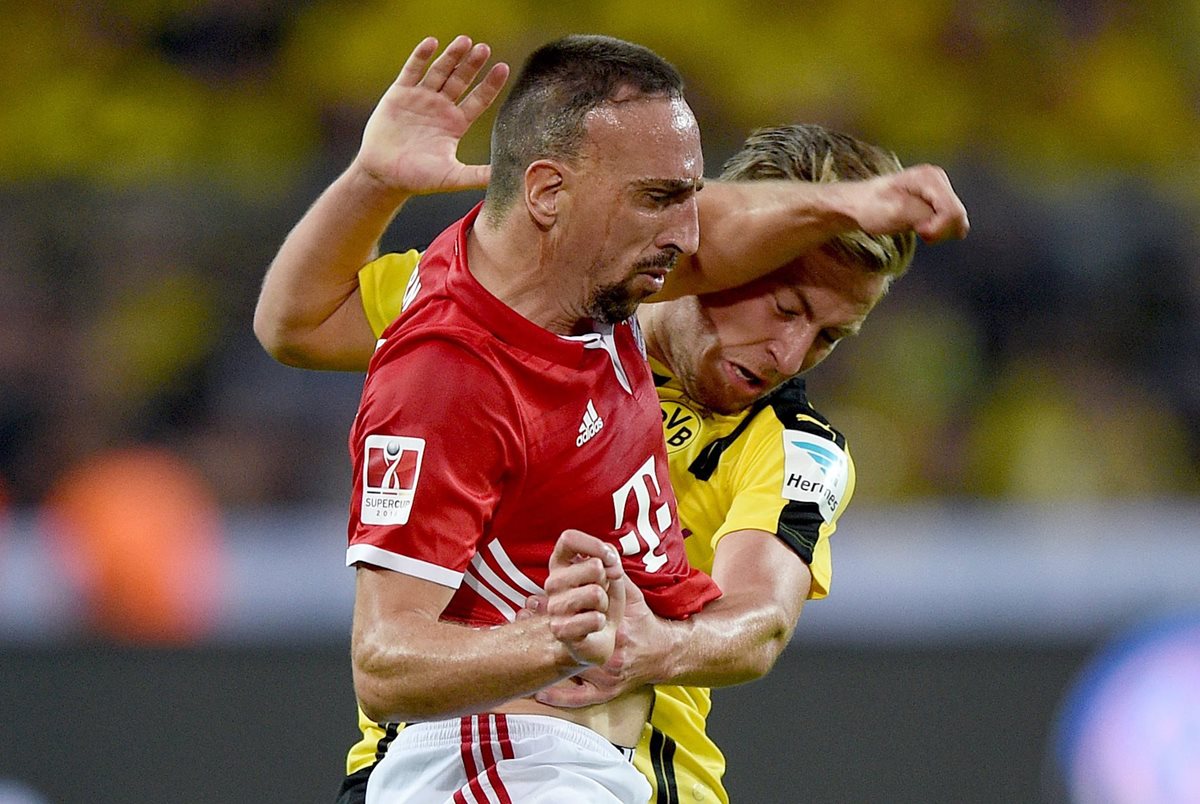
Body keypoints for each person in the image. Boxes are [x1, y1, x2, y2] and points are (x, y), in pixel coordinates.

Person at [257, 34, 969, 803]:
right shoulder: (521, 313)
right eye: (786, 308)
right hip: (488, 762)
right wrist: (373, 181)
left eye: (830, 336)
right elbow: (297, 323)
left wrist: (661, 645)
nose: (794, 351)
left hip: (643, 781)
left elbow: (758, 619)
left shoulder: (793, 445)